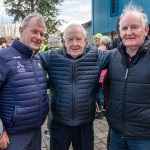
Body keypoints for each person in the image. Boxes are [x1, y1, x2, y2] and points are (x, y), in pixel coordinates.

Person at [40, 23, 112, 150]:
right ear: (64, 41)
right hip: (59, 122)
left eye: (78, 39)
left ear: (85, 40)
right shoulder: (52, 57)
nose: (74, 43)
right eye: (70, 39)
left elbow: (121, 53)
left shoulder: (96, 56)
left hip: (85, 123)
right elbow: (30, 58)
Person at [0, 12, 49, 150]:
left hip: (35, 131)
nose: (38, 37)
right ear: (21, 30)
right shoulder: (3, 57)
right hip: (13, 136)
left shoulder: (38, 58)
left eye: (41, 33)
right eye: (34, 31)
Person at [105, 2, 150, 150]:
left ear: (146, 30)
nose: (128, 32)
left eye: (134, 27)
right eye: (124, 28)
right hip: (117, 134)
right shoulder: (112, 56)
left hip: (144, 137)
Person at [43, 34, 62, 138]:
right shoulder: (65, 53)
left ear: (50, 43)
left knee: (51, 111)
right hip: (63, 89)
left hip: (50, 88)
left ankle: (51, 131)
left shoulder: (47, 54)